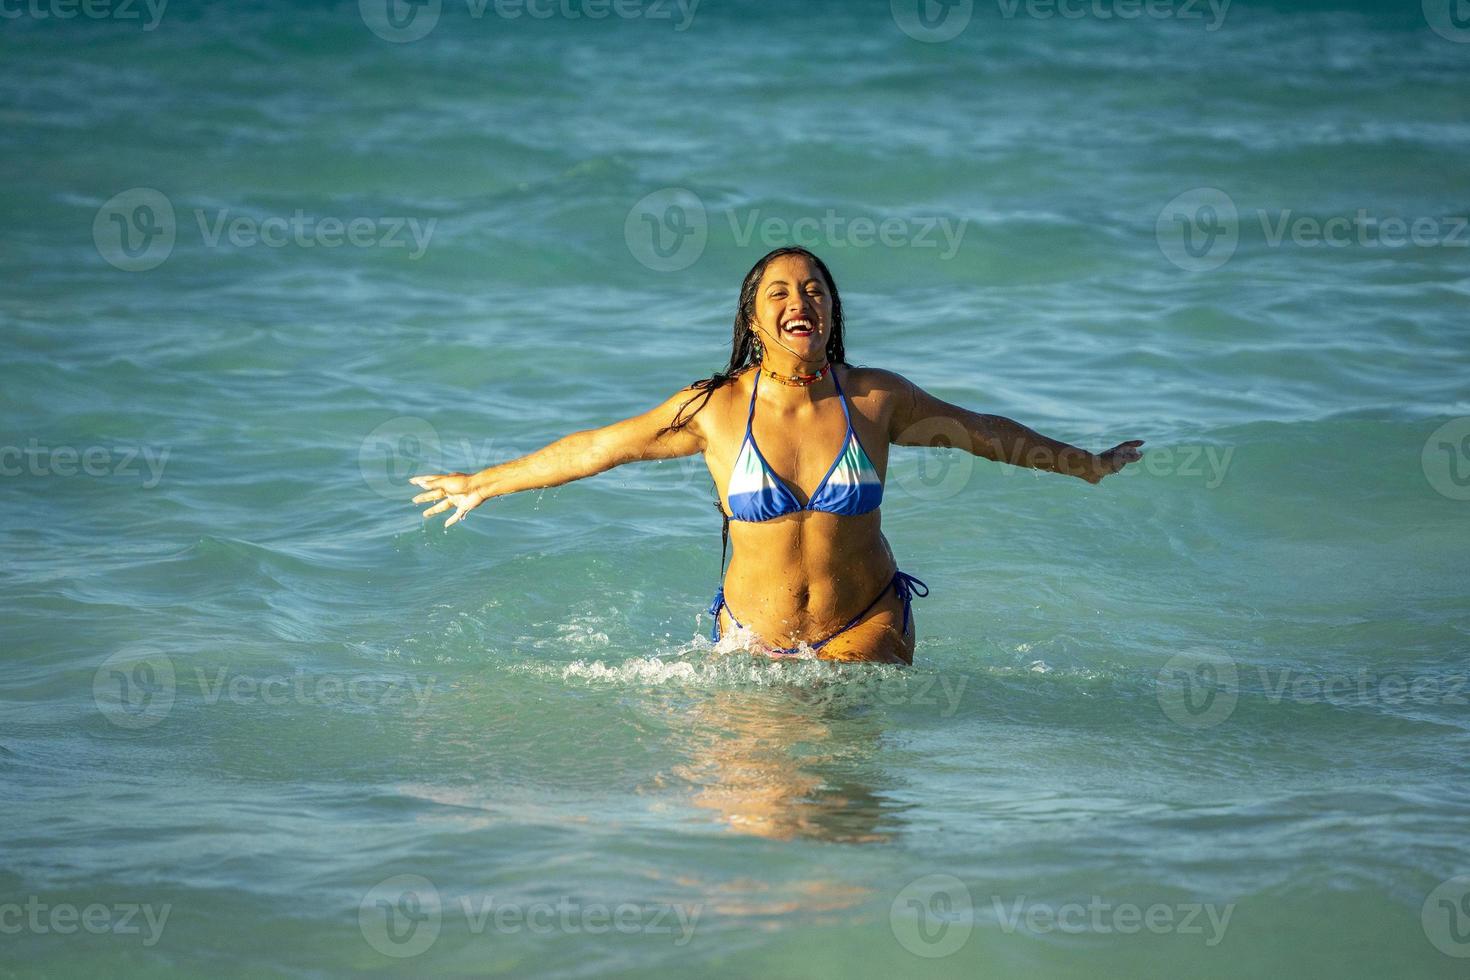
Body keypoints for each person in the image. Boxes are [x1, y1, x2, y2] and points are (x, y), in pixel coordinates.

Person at [410, 246, 1143, 665]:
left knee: (848, 812)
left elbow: (983, 432)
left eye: (816, 290)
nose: (802, 300)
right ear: (756, 318)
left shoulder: (876, 400)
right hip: (751, 638)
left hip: (867, 623)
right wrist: (484, 482)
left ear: (830, 312)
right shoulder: (715, 408)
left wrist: (1085, 463)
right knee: (756, 823)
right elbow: (600, 447)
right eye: (782, 291)